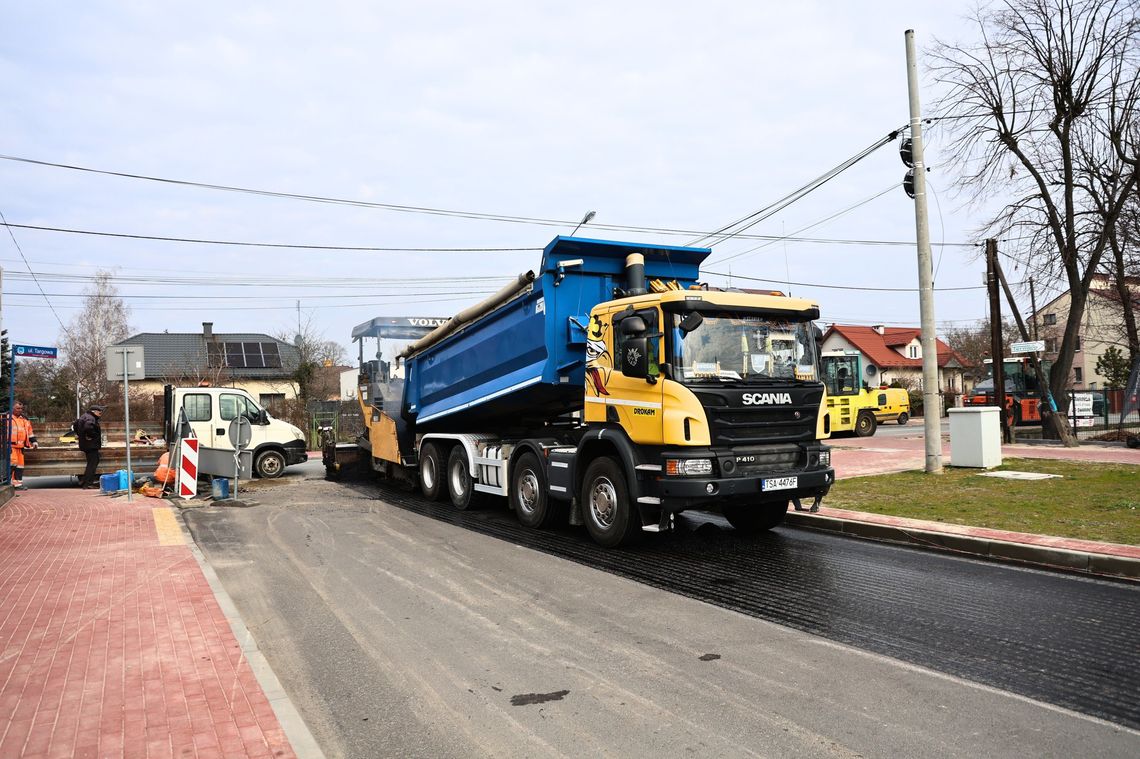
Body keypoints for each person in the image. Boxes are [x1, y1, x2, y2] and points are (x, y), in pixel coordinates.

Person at [8, 402, 38, 490]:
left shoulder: (25, 419)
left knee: (20, 466)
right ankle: (6, 484)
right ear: (12, 408)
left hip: (20, 447)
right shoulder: (6, 418)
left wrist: (34, 442)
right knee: (12, 464)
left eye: (21, 408)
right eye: (18, 408)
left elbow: (30, 432)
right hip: (10, 446)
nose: (20, 410)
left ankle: (17, 485)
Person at [77, 404, 104, 489]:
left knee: (91, 463)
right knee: (92, 464)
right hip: (91, 445)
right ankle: (88, 483)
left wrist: (81, 436)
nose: (100, 415)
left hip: (86, 444)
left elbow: (75, 425)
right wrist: (93, 436)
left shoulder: (85, 416)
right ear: (94, 412)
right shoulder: (90, 418)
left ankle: (84, 481)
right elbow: (88, 427)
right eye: (99, 413)